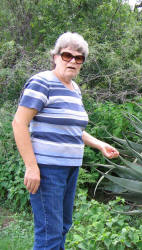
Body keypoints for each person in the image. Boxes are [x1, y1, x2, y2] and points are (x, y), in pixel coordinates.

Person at [12, 32, 119, 249]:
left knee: (62, 227)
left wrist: (99, 144)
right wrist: (31, 167)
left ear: (82, 63)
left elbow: (72, 129)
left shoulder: (74, 89)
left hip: (70, 168)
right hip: (47, 170)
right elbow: (19, 123)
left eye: (78, 58)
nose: (72, 61)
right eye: (67, 55)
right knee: (49, 234)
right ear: (55, 56)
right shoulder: (42, 82)